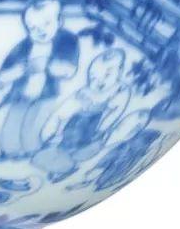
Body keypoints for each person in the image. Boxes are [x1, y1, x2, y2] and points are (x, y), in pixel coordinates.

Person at [0, 0, 79, 159]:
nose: (40, 31)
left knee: (34, 126)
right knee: (12, 124)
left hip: (46, 94)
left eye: (46, 23)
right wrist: (17, 72)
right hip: (21, 94)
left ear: (59, 21)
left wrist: (47, 65)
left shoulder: (67, 41)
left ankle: (32, 152)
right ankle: (10, 152)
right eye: (33, 28)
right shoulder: (22, 47)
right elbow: (3, 76)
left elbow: (69, 70)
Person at [31, 48, 131, 182]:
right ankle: (60, 168)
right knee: (63, 150)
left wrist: (103, 128)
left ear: (119, 72)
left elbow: (116, 112)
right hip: (72, 131)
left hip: (92, 133)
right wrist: (53, 132)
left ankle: (65, 169)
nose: (99, 82)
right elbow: (61, 113)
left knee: (82, 153)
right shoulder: (84, 94)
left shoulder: (119, 91)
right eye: (93, 77)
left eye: (107, 75)